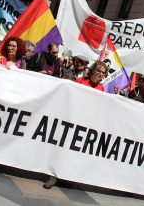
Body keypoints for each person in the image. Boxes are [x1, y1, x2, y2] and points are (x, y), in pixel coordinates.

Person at [44, 59, 108, 190]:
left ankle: (67, 176)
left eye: (103, 73)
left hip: (86, 124)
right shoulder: (80, 81)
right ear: (93, 70)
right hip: (73, 120)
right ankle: (53, 177)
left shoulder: (101, 88)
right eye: (99, 71)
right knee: (62, 147)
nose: (101, 74)